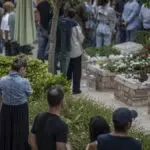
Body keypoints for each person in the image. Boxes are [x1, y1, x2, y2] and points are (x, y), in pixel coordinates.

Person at [0, 56, 33, 150]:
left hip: (6, 109)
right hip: (20, 110)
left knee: (6, 131)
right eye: (25, 69)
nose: (25, 71)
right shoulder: (24, 81)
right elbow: (30, 93)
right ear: (21, 69)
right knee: (20, 132)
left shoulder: (2, 80)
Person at [30, 85, 68, 150]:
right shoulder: (61, 125)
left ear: (48, 100)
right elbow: (60, 148)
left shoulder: (38, 117)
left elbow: (31, 140)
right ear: (61, 101)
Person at [67, 9, 84, 94]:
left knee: (68, 70)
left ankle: (66, 87)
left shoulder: (63, 23)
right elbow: (81, 38)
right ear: (74, 16)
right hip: (76, 51)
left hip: (66, 52)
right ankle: (76, 89)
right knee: (77, 71)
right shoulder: (76, 25)